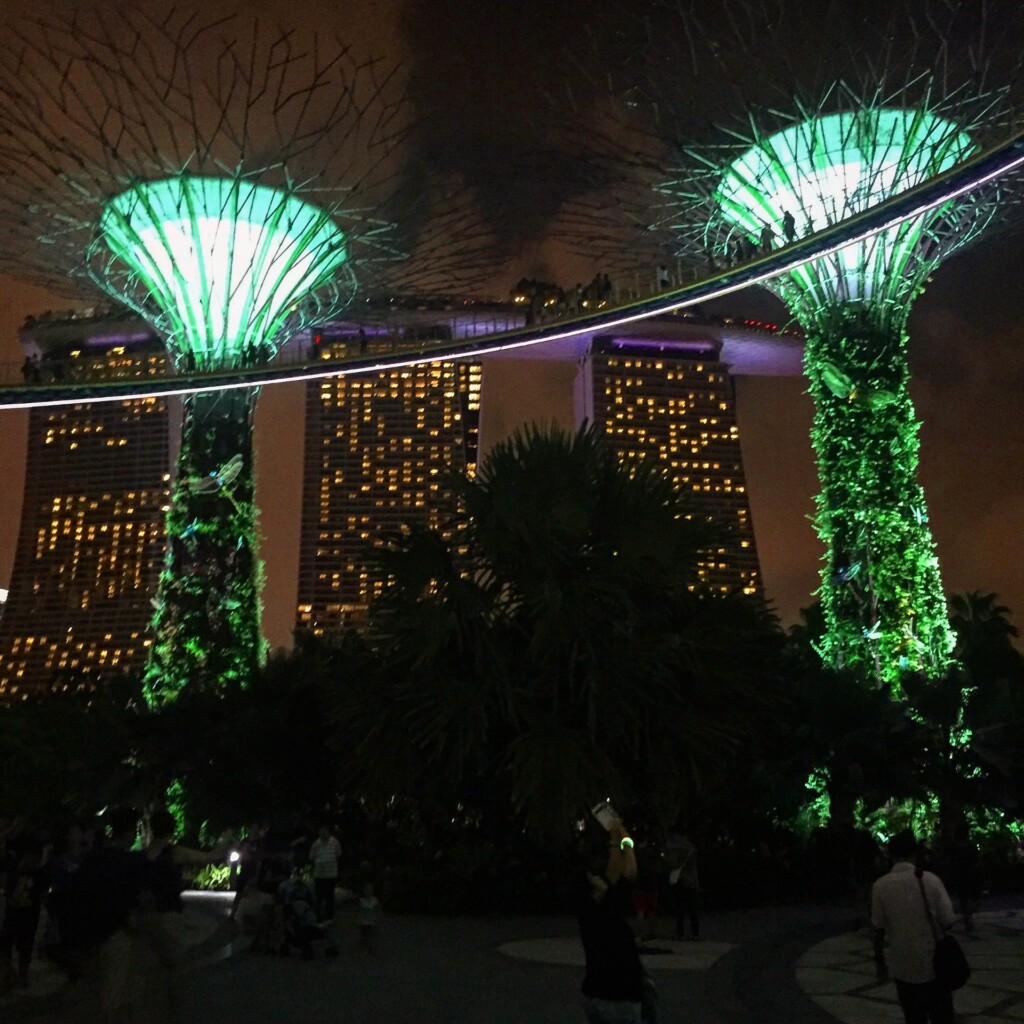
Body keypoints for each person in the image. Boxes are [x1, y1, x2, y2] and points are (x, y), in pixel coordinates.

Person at [872, 829, 958, 1024]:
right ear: (915, 853)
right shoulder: (931, 880)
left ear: (891, 855)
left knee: (913, 1015)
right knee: (941, 1014)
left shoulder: (880, 886)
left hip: (903, 962)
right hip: (934, 960)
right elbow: (948, 920)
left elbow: (878, 927)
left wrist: (880, 963)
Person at [577, 817, 644, 1023]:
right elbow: (629, 873)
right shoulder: (607, 909)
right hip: (618, 1000)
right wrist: (626, 842)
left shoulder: (590, 910)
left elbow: (614, 874)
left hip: (595, 996)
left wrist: (616, 840)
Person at [668, 832, 700, 940]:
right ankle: (695, 933)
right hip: (691, 879)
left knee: (680, 908)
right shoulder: (691, 849)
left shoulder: (676, 848)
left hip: (681, 879)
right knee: (692, 909)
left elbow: (673, 863)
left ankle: (680, 933)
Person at [309, 825, 342, 922]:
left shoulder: (334, 842)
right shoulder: (316, 844)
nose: (323, 833)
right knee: (319, 896)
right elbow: (311, 857)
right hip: (319, 874)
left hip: (330, 874)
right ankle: (319, 916)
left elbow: (338, 854)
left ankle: (329, 916)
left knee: (329, 896)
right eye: (321, 831)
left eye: (325, 831)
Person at [358, 880, 380, 952]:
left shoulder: (375, 900)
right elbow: (360, 911)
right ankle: (363, 943)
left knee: (370, 934)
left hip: (371, 921)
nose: (368, 892)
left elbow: (377, 910)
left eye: (369, 890)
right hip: (364, 921)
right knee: (363, 933)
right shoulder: (362, 901)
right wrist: (359, 919)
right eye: (366, 890)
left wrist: (377, 918)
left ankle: (370, 947)